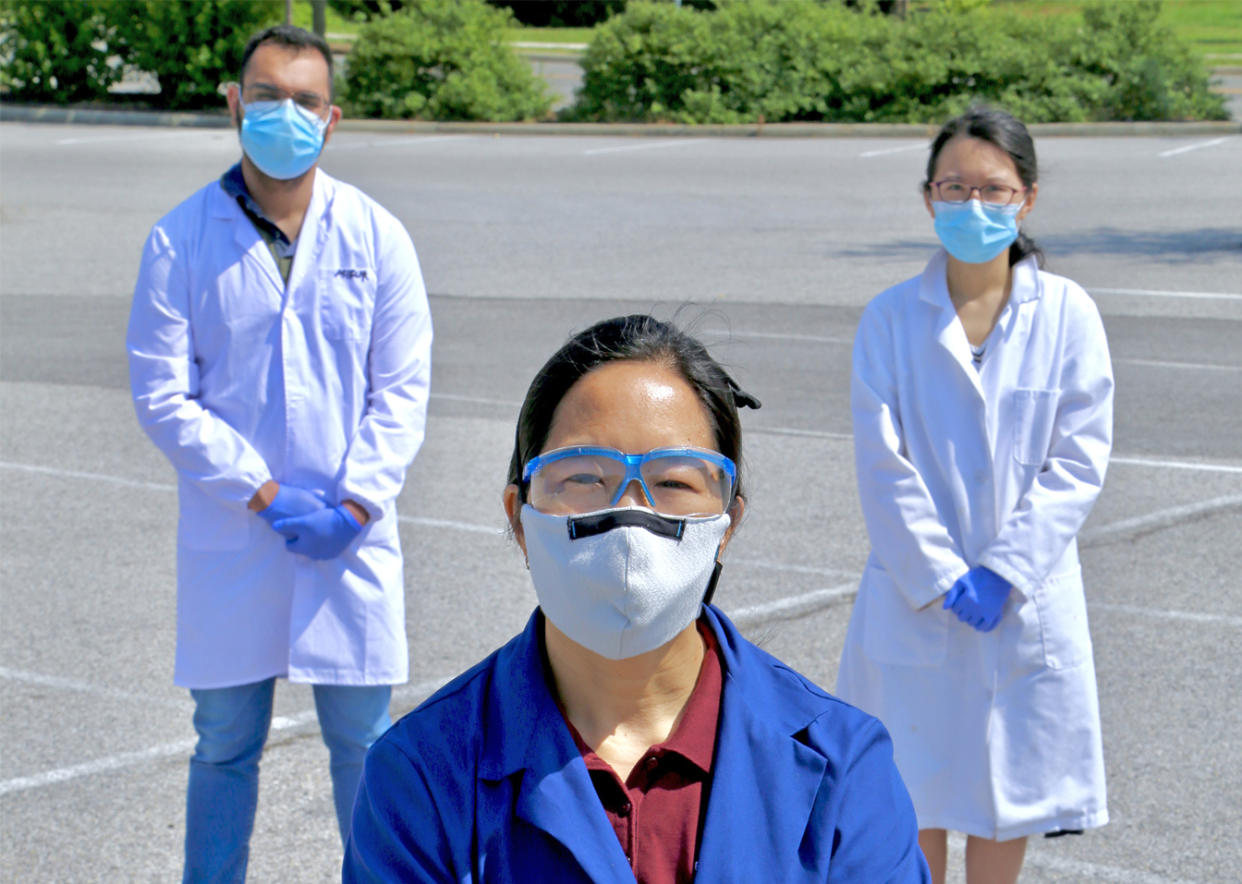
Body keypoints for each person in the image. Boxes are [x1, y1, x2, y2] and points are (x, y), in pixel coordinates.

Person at [343, 315, 930, 883]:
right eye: (581, 477)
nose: (629, 515)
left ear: (727, 524)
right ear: (519, 518)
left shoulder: (844, 762)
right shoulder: (420, 772)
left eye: (674, 481)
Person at [125, 24, 432, 883]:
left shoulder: (378, 238)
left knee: (365, 744)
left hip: (353, 538)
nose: (283, 115)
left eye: (302, 101)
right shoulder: (179, 241)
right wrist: (261, 493)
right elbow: (163, 396)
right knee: (224, 743)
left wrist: (357, 505)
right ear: (234, 104)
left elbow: (401, 391)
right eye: (266, 97)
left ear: (330, 120)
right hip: (236, 535)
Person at [835, 106, 1114, 884]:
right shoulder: (892, 318)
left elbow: (1079, 457)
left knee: (1005, 793)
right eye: (955, 188)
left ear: (1026, 198)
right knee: (910, 789)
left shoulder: (1068, 315)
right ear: (928, 197)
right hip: (913, 600)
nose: (973, 207)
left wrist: (1005, 569)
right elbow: (880, 461)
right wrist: (937, 573)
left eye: (993, 190)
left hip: (1020, 600)